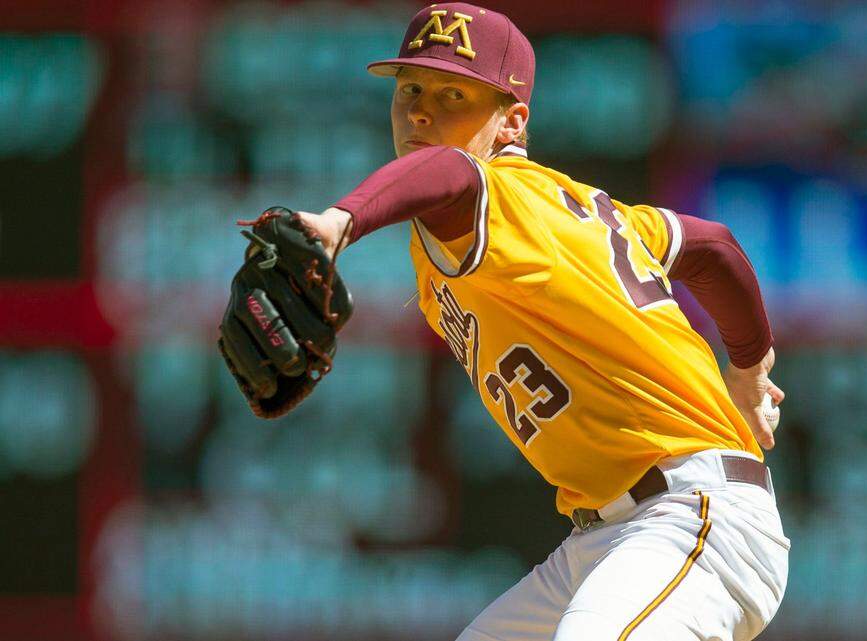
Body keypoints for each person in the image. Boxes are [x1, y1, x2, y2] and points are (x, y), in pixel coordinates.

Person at [298, 4, 789, 639]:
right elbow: (713, 249)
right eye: (411, 88)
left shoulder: (500, 194)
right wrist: (749, 371)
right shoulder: (579, 213)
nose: (421, 110)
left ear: (512, 122)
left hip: (691, 518)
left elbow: (451, 173)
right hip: (612, 539)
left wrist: (341, 221)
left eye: (454, 94)